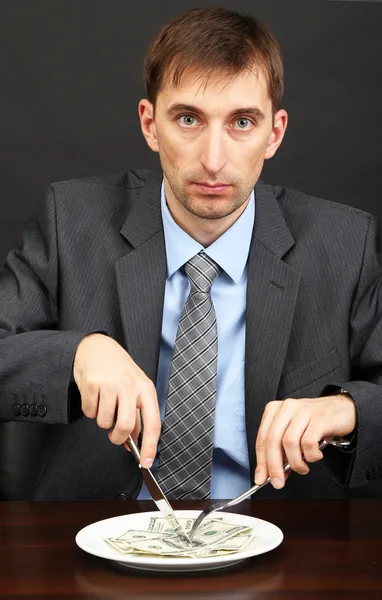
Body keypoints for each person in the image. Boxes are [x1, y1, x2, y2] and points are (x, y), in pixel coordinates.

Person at [1, 6, 382, 502]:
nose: (214, 159)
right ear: (150, 124)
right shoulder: (68, 219)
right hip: (92, 533)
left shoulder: (344, 243)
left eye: (242, 122)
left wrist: (346, 410)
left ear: (275, 133)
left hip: (281, 541)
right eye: (188, 119)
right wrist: (76, 354)